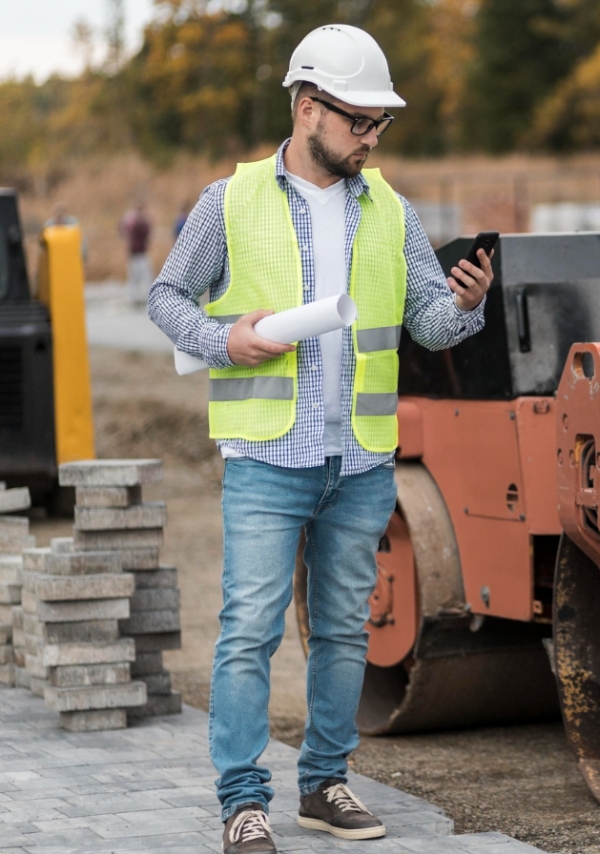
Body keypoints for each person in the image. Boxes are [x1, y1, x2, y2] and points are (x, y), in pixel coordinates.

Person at [147, 24, 494, 854]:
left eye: (381, 125)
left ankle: (325, 783)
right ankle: (242, 801)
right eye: (360, 122)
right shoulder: (228, 201)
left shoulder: (394, 213)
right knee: (249, 631)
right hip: (267, 457)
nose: (373, 139)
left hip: (361, 460)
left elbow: (429, 326)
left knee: (343, 628)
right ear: (309, 109)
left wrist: (469, 306)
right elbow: (166, 299)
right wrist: (229, 341)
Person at [121, 201, 153, 304]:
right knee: (136, 277)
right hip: (136, 254)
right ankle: (133, 297)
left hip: (140, 253)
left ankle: (145, 296)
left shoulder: (132, 221)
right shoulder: (135, 222)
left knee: (145, 276)